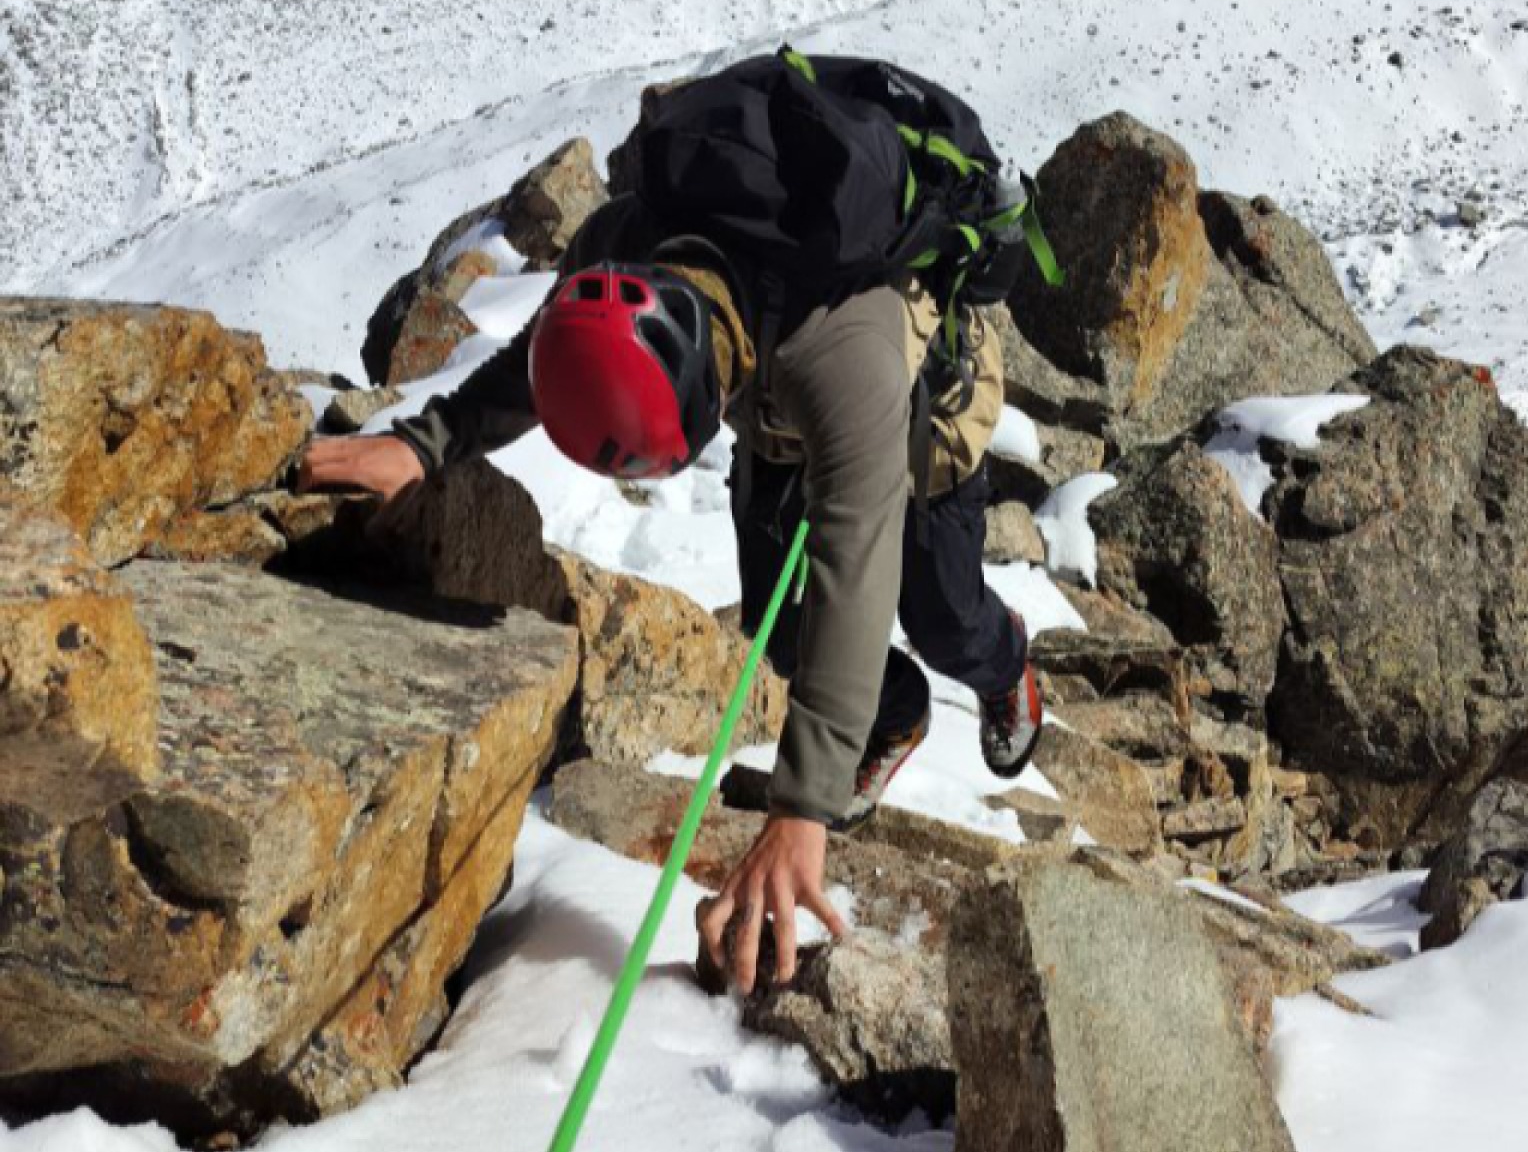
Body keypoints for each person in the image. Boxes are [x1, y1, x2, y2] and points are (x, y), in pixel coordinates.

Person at [299, 75, 1046, 997]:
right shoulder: (617, 254)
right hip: (775, 411)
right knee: (781, 634)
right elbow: (551, 358)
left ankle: (1005, 663)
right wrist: (423, 444)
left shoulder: (838, 350)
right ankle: (892, 714)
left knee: (939, 613)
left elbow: (860, 555)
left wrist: (802, 807)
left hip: (920, 412)